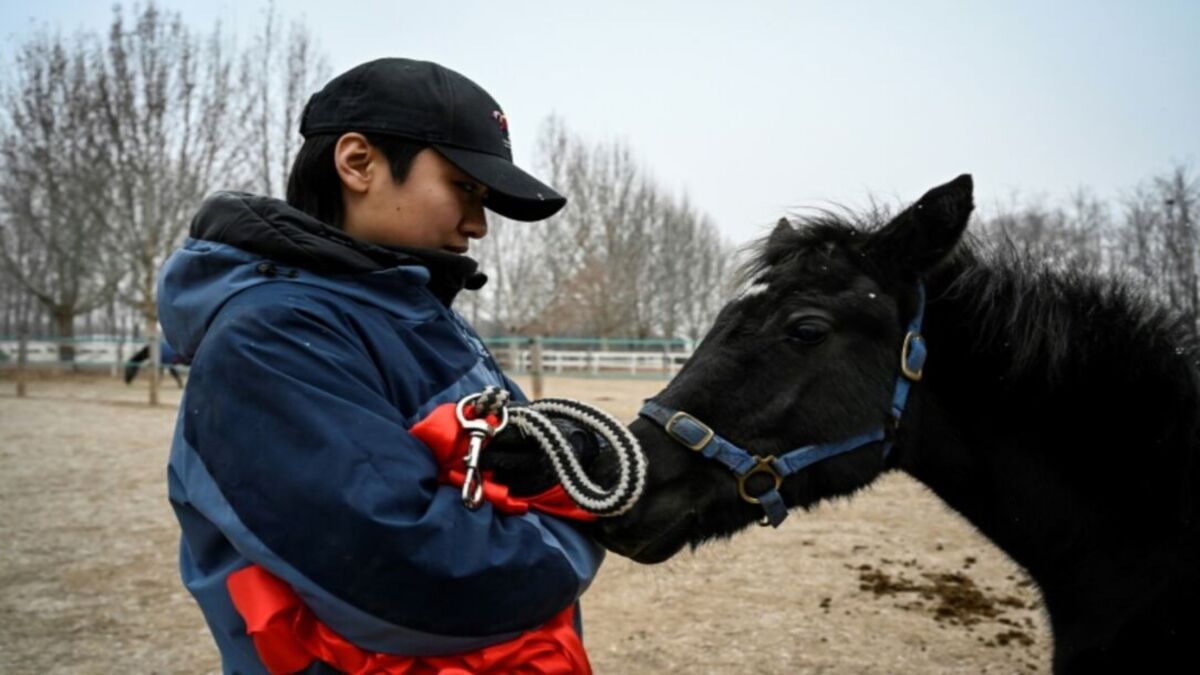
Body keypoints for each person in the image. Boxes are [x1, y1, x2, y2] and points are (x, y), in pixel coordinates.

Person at [159, 58, 604, 674]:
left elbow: (532, 463)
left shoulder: (413, 314)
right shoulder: (274, 335)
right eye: (464, 188)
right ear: (358, 163)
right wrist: (584, 523)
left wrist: (570, 467)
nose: (478, 225)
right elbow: (427, 575)